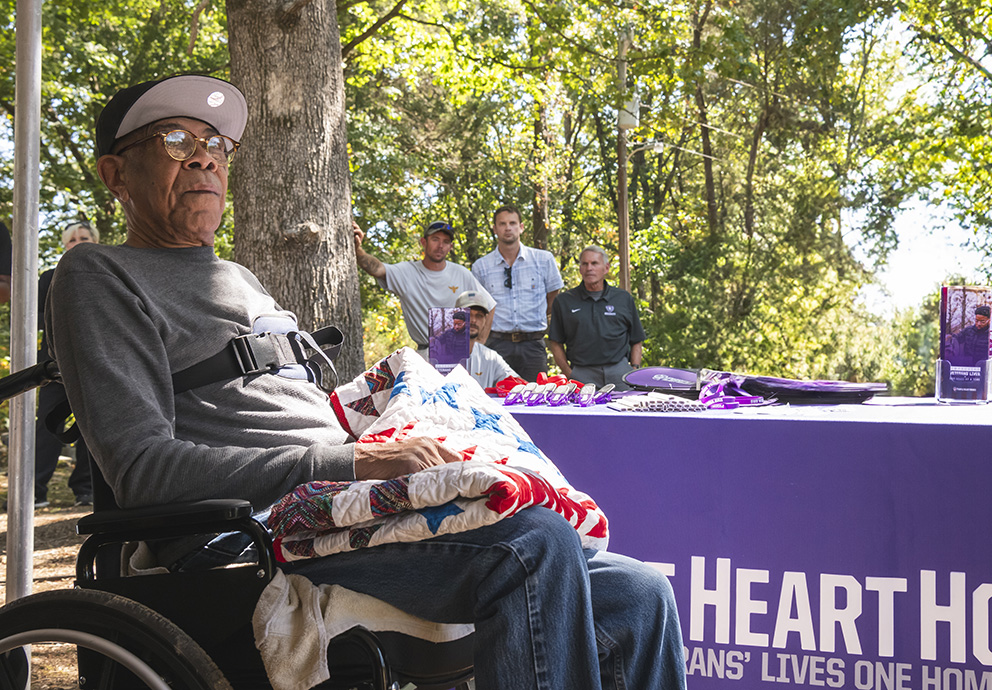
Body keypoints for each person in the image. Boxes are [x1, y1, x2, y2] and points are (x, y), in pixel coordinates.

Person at [46, 73, 685, 690]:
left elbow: (311, 409)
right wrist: (355, 461)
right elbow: (143, 469)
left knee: (640, 595)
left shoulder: (237, 278)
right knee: (532, 547)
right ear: (115, 174)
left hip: (342, 507)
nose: (205, 160)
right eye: (176, 142)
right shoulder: (99, 276)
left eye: (215, 145)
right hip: (250, 531)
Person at [353, 219, 493, 359]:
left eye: (445, 242)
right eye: (435, 239)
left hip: (459, 353)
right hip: (424, 355)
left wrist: (479, 343)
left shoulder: (462, 273)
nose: (440, 246)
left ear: (450, 247)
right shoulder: (407, 272)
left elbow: (490, 305)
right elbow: (377, 269)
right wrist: (357, 249)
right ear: (423, 242)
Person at [33, 221, 98, 508]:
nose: (78, 243)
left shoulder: (104, 278)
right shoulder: (48, 278)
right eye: (72, 239)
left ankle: (86, 490)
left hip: (95, 364)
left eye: (84, 238)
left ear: (95, 243)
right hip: (52, 366)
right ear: (65, 245)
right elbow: (34, 321)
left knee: (91, 428)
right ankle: (34, 491)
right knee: (47, 426)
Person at [470, 206, 563, 380]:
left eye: (512, 223)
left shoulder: (543, 260)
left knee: (535, 398)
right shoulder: (481, 267)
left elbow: (553, 297)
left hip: (533, 345)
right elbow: (479, 308)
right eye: (502, 224)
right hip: (496, 344)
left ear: (521, 227)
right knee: (495, 398)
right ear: (495, 228)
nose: (508, 228)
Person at [548, 246, 645, 390]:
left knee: (624, 411)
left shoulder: (623, 299)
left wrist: (634, 369)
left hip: (620, 371)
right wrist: (569, 374)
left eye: (594, 263)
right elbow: (555, 342)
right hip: (581, 373)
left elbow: (636, 339)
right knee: (584, 412)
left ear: (606, 268)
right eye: (584, 264)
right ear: (580, 269)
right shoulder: (564, 301)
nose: (589, 268)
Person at [454, 289, 517, 388]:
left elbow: (516, 382)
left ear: (485, 321)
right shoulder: (436, 352)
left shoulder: (490, 357)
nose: (473, 320)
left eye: (479, 316)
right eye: (468, 314)